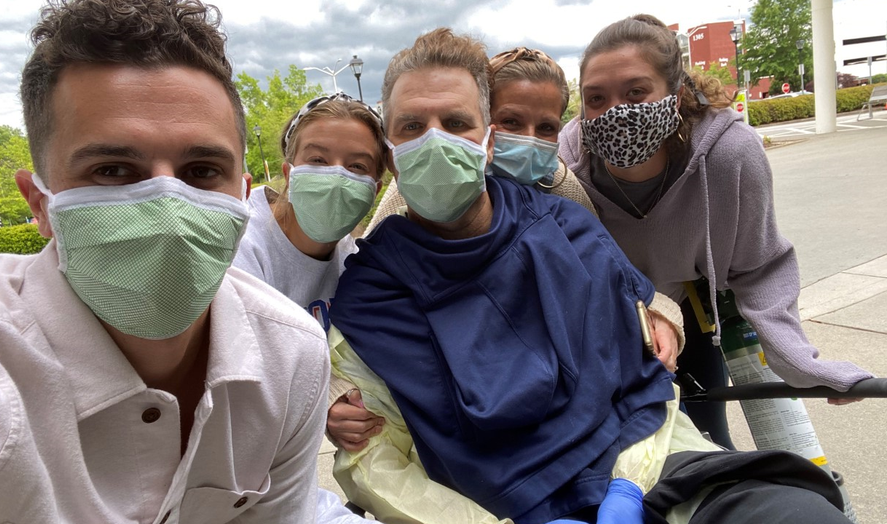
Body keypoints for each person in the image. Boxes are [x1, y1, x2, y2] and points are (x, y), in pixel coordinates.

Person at [326, 27, 850, 524]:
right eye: (412, 127)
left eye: (457, 123)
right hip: (490, 501)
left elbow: (645, 375)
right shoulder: (370, 296)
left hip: (646, 459)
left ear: (486, 143)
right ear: (391, 157)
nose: (435, 143)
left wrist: (628, 484)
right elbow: (373, 458)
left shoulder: (566, 224)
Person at [0, 1, 329, 522]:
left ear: (243, 199)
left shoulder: (293, 359)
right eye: (112, 169)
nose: (167, 205)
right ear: (39, 202)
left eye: (201, 170)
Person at [557, 14, 873, 449]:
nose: (617, 112)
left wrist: (802, 365)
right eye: (596, 98)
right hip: (603, 324)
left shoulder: (729, 156)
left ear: (677, 94)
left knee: (707, 437)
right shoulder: (566, 170)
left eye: (635, 91)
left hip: (690, 313)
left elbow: (759, 266)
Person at [364, 46, 686, 371]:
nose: (528, 140)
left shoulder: (558, 188)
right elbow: (370, 269)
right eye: (511, 122)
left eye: (546, 128)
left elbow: (609, 268)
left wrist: (660, 313)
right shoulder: (424, 181)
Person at [232, 92, 387, 522]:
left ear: (375, 190)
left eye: (357, 167)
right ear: (288, 172)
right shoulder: (242, 250)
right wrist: (321, 408)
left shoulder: (352, 259)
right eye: (318, 161)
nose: (336, 176)